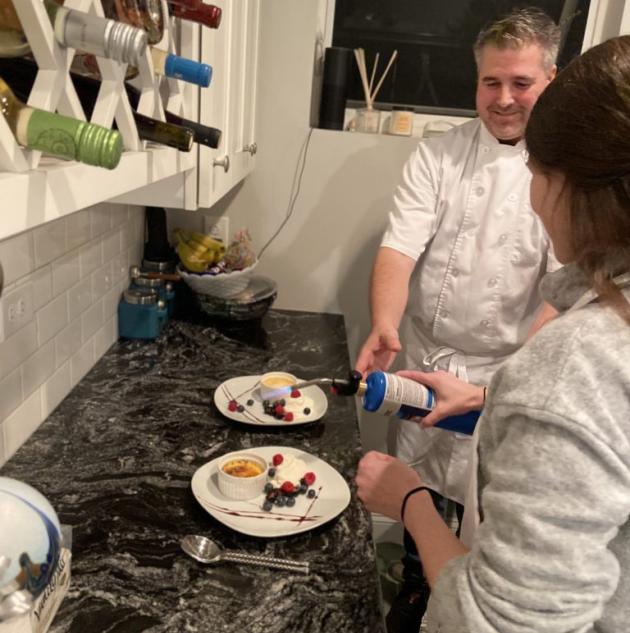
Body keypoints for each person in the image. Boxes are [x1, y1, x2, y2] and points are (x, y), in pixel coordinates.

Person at [357, 33, 630, 632]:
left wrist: (522, 377)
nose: (504, 98)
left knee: (479, 528)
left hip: (516, 360)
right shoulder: (442, 154)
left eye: (522, 84)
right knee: (451, 521)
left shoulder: (574, 367)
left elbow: (498, 619)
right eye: (491, 82)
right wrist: (387, 324)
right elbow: (400, 246)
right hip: (449, 368)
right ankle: (414, 585)